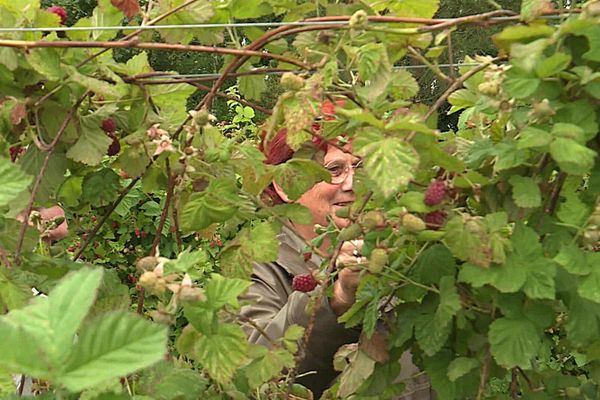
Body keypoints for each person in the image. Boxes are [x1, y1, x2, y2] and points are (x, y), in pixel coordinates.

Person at [239, 116, 434, 399]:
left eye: (360, 166)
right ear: (286, 184)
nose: (352, 183)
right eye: (334, 169)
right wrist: (337, 296)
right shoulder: (260, 270)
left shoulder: (400, 249)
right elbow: (261, 380)